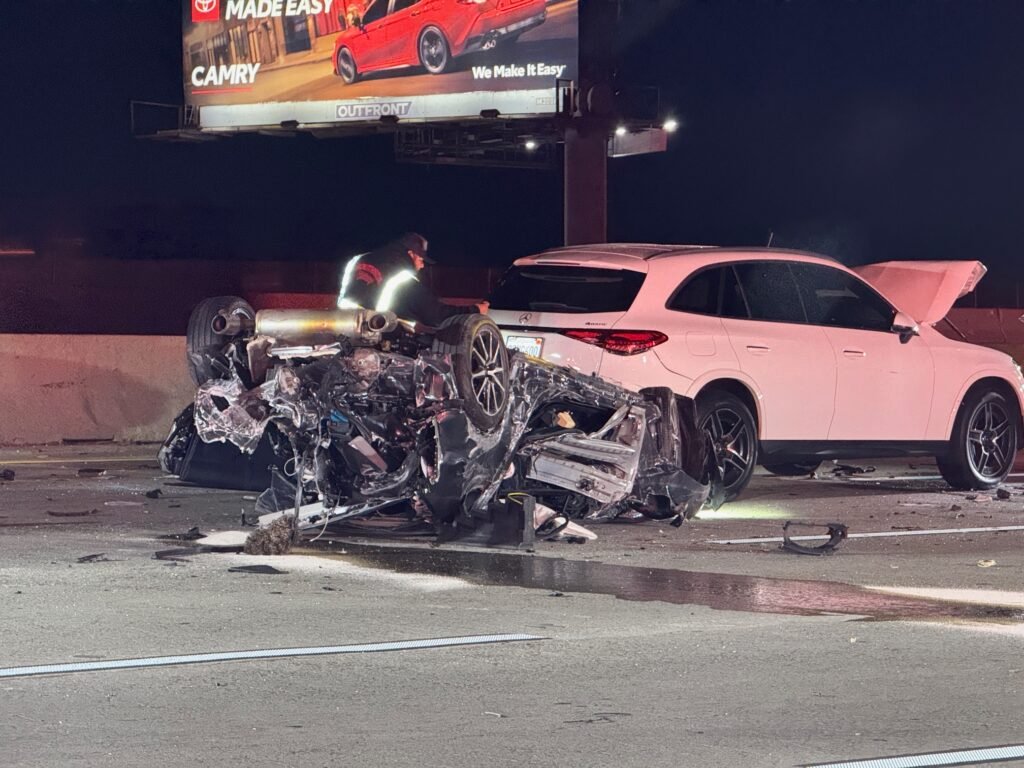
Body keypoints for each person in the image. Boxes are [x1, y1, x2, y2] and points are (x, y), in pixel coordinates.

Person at [337, 233, 488, 327]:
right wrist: (474, 310)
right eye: (421, 260)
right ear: (411, 254)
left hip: (341, 326)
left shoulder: (359, 259)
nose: (422, 266)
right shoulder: (402, 277)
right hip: (375, 336)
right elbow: (435, 315)